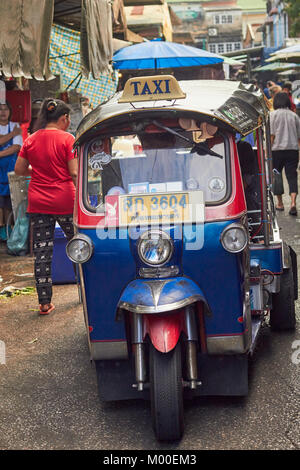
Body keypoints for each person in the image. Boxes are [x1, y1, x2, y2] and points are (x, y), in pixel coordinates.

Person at [14, 98, 78, 315]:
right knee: (79, 246)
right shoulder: (68, 139)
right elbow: (75, 172)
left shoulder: (30, 139)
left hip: (39, 201)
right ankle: (86, 292)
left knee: (42, 252)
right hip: (65, 201)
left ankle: (44, 303)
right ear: (64, 118)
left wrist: (39, 173)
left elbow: (20, 169)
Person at [270, 92, 300, 216]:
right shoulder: (294, 116)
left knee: (276, 176)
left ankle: (280, 203)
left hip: (276, 150)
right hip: (293, 150)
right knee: (292, 176)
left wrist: (267, 150)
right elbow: (299, 137)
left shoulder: (272, 115)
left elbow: (271, 135)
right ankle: (293, 203)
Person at [0, 101, 23, 241]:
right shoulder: (13, 130)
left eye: (5, 109)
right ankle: (1, 227)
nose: (3, 112)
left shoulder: (15, 126)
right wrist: (11, 135)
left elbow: (16, 146)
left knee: (10, 199)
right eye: (0, 109)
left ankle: (8, 228)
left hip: (10, 169)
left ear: (10, 111)